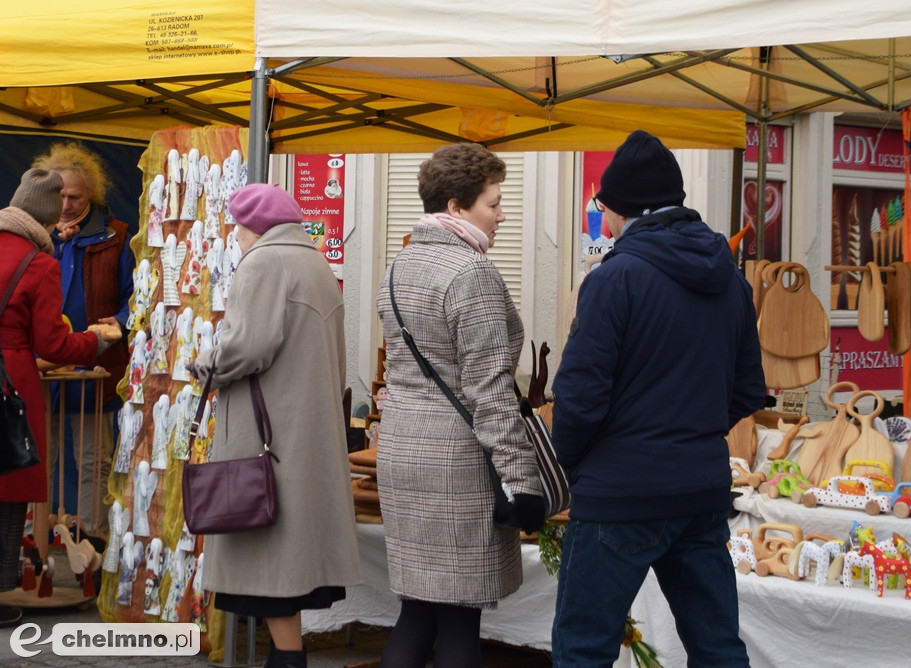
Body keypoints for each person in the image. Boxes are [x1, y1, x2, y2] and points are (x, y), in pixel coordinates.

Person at [550, 130, 766, 667]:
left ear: (620, 210)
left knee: (583, 649)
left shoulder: (613, 279)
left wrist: (571, 464)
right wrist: (694, 433)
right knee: (717, 647)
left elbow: (578, 399)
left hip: (619, 493)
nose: (604, 220)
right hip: (700, 490)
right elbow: (746, 390)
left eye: (603, 209)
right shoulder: (731, 281)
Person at [374, 143, 544, 667]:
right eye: (493, 204)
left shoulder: (400, 264)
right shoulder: (472, 273)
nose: (502, 214)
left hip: (401, 448)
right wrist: (520, 481)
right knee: (458, 616)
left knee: (421, 609)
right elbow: (490, 392)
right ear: (455, 206)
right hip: (457, 461)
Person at [192, 183, 362, 668]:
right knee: (285, 567)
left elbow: (248, 347)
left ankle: (288, 662)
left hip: (266, 438)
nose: (237, 238)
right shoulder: (314, 264)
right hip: (301, 433)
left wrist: (205, 361)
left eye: (238, 228)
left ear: (253, 225)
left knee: (271, 568)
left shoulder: (264, 263)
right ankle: (288, 658)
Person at [0, 169, 120, 627]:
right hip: (11, 381)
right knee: (10, 487)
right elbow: (52, 345)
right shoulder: (39, 264)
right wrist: (95, 342)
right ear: (48, 216)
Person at [31, 142, 134, 534]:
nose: (67, 204)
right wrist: (51, 242)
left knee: (93, 459)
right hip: (43, 367)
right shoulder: (39, 236)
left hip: (96, 365)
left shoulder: (117, 237)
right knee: (41, 456)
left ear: (92, 193)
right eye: (60, 196)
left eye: (75, 196)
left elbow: (135, 298)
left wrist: (120, 323)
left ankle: (93, 538)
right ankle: (38, 537)